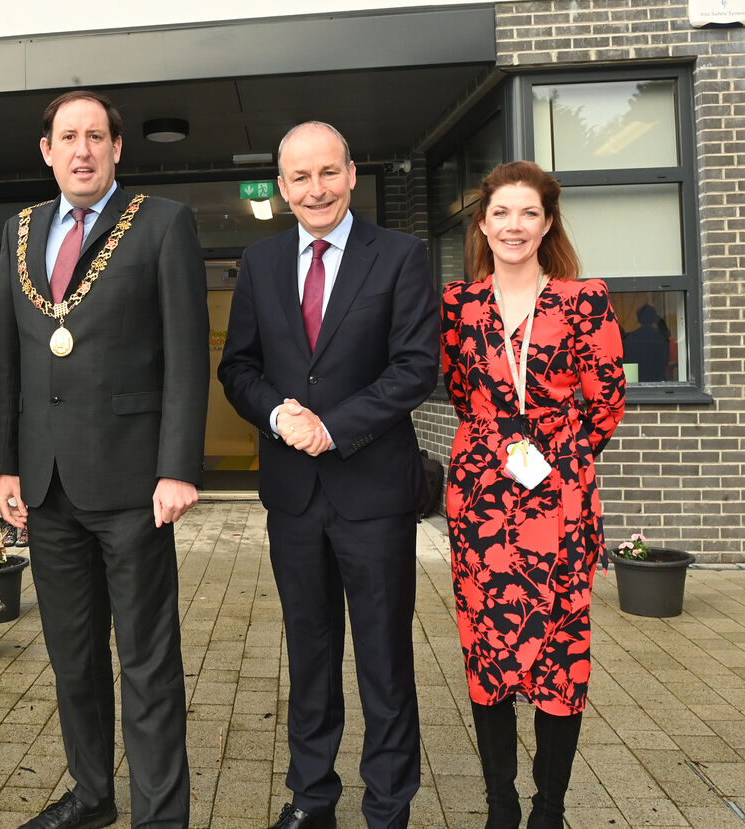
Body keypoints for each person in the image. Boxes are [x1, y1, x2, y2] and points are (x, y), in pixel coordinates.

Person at [0, 89, 208, 829]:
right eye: (67, 136)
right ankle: (90, 795)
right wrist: (3, 463)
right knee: (73, 658)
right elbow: (13, 360)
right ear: (46, 150)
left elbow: (184, 355)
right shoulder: (19, 229)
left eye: (96, 136)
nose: (82, 149)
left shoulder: (164, 223)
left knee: (146, 661)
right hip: (45, 488)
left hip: (134, 485)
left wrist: (179, 466)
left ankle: (160, 815)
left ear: (117, 148)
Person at [218, 121, 439, 829]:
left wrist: (333, 425)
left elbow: (415, 367)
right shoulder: (259, 262)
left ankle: (387, 807)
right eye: (300, 177)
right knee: (309, 657)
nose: (316, 188)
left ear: (350, 172)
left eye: (328, 172)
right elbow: (239, 367)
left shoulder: (401, 256)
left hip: (372, 492)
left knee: (384, 659)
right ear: (282, 189)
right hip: (293, 498)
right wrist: (278, 416)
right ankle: (313, 798)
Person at [441, 160, 625, 829]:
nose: (513, 225)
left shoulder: (585, 299)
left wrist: (559, 459)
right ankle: (501, 805)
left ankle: (549, 808)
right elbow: (464, 396)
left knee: (560, 653)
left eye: (528, 213)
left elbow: (607, 402)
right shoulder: (458, 304)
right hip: (482, 499)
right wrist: (504, 446)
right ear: (483, 224)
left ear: (547, 222)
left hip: (559, 501)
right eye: (500, 213)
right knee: (486, 649)